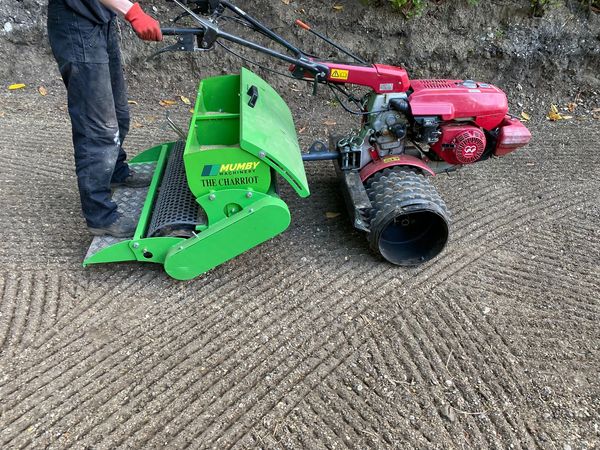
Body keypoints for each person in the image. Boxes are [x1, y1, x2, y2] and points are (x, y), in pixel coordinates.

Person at [47, 0, 162, 237]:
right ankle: (100, 216)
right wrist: (132, 12)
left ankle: (115, 172)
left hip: (101, 18)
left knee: (119, 115)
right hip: (76, 22)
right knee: (97, 128)